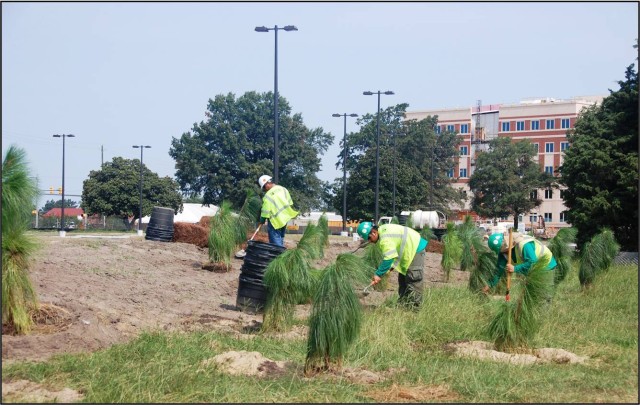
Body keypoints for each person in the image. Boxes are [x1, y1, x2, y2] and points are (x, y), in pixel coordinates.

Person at [357, 221, 428, 309]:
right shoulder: (383, 230)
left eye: (369, 239)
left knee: (413, 278)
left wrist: (378, 274)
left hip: (415, 248)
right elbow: (395, 250)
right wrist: (390, 268)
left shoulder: (384, 239)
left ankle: (414, 309)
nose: (370, 242)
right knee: (402, 279)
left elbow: (389, 258)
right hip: (408, 250)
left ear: (374, 233)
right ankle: (403, 305)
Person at [483, 231, 557, 295]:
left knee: (545, 293)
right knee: (532, 293)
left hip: (546, 264)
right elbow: (498, 272)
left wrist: (515, 268)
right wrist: (489, 285)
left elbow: (532, 262)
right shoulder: (503, 253)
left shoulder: (523, 244)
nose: (503, 252)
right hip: (531, 269)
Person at [258, 174, 298, 247]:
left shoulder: (268, 195)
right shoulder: (283, 189)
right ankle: (282, 256)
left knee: (275, 242)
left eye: (264, 187)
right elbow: (290, 202)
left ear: (267, 183)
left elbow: (265, 211)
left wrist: (262, 220)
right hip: (284, 219)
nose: (264, 189)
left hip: (275, 221)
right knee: (280, 238)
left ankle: (278, 256)